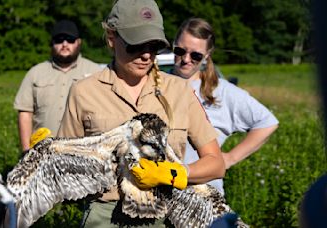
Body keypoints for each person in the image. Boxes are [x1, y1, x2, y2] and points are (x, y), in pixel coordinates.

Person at [57, 1, 225, 227]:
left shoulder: (179, 91)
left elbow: (216, 164)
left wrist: (172, 173)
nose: (146, 55)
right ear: (111, 39)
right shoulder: (83, 92)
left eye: (154, 46)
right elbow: (64, 173)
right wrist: (50, 152)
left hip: (170, 213)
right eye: (135, 45)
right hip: (106, 216)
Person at [171, 17, 279, 195]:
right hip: (159, 193)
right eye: (180, 50)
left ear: (207, 55)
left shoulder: (222, 92)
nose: (185, 59)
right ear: (173, 45)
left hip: (202, 195)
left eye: (195, 55)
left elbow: (267, 122)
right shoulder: (156, 83)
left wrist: (230, 158)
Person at [14, 19, 101, 151]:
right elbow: (25, 113)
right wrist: (26, 151)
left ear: (79, 42)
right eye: (59, 40)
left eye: (70, 39)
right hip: (42, 151)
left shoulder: (96, 72)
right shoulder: (35, 73)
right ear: (52, 43)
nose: (64, 44)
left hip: (84, 153)